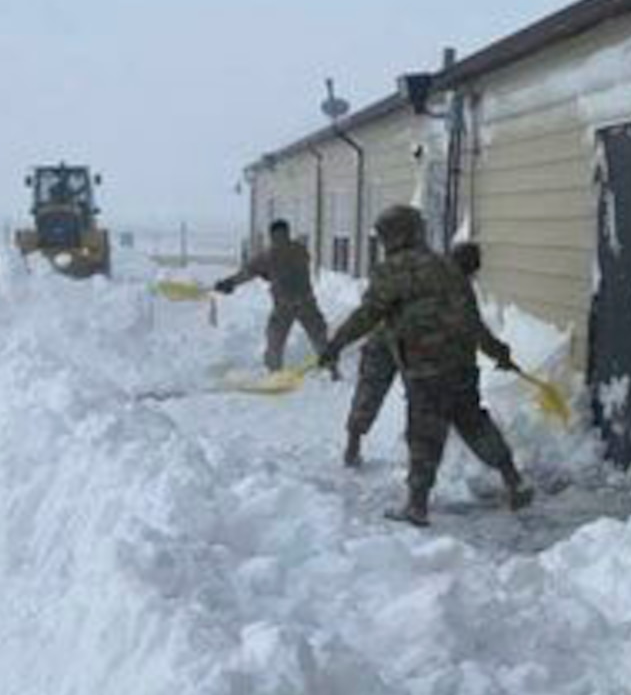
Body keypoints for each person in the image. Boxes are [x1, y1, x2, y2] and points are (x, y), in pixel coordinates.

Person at [318, 206, 532, 525]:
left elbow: (369, 315)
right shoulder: (449, 267)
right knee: (474, 422)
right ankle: (513, 480)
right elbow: (472, 320)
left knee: (423, 434)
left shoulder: (392, 271)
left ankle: (416, 506)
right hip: (461, 364)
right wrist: (498, 352)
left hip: (425, 368)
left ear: (394, 236)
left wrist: (335, 344)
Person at [343, 239, 512, 467]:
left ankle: (354, 445)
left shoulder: (439, 275)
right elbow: (474, 329)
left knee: (375, 392)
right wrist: (499, 353)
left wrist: (498, 353)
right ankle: (355, 446)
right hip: (391, 342)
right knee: (378, 392)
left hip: (407, 349)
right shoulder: (451, 286)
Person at [215, 220, 334, 372]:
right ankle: (332, 370)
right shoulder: (301, 249)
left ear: (272, 235)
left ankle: (274, 374)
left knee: (275, 342)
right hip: (307, 303)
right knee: (320, 338)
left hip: (284, 306)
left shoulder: (268, 255)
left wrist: (229, 283)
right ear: (287, 232)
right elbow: (293, 266)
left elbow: (246, 273)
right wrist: (271, 274)